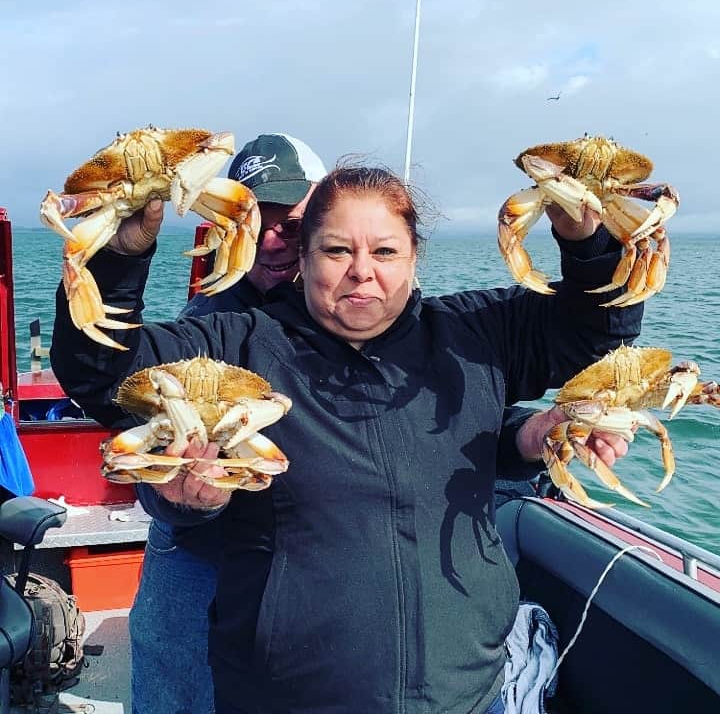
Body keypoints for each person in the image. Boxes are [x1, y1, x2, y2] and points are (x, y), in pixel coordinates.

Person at [51, 163, 641, 713]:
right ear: (303, 259)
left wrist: (588, 242)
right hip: (286, 693)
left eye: (386, 251)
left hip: (467, 688)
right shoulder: (236, 346)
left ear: (414, 259)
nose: (363, 270)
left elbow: (599, 326)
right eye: (337, 250)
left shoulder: (476, 334)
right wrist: (119, 253)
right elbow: (101, 371)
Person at [127, 133, 328, 714]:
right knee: (175, 685)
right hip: (200, 547)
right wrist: (180, 500)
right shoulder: (201, 324)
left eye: (289, 225)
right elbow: (152, 463)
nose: (270, 240)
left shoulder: (357, 315)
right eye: (249, 220)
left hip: (309, 545)